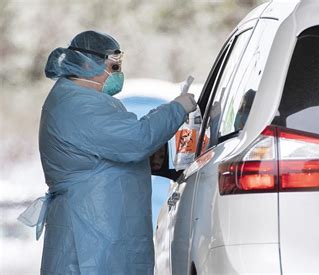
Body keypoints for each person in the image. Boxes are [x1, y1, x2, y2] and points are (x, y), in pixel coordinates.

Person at [17, 30, 196, 274]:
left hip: (93, 223)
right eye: (113, 66)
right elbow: (137, 139)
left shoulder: (75, 99)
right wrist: (177, 108)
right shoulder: (81, 105)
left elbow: (125, 137)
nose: (117, 74)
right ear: (89, 64)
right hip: (93, 229)